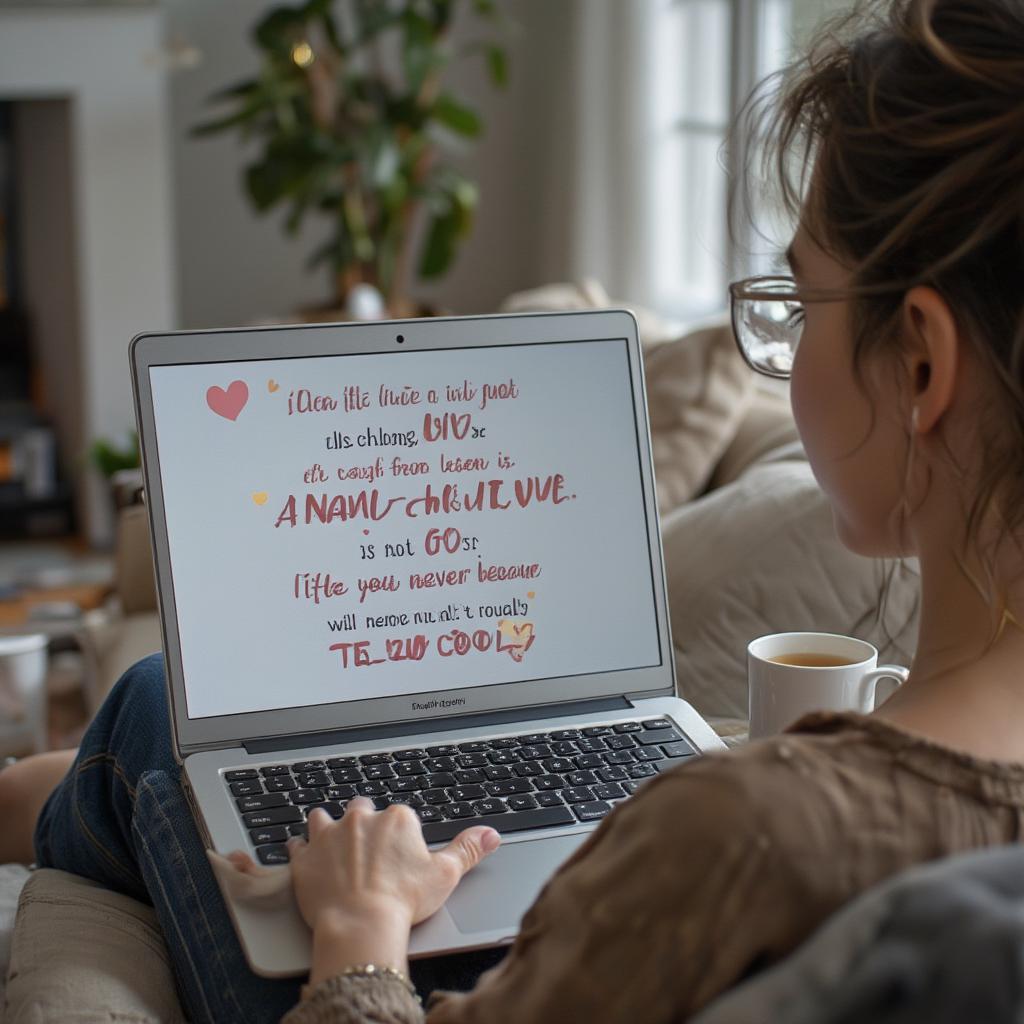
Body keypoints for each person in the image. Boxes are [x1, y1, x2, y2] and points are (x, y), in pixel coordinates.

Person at [3, 0, 1024, 1019]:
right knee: (153, 722)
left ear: (922, 363)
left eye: (801, 305)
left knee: (150, 710)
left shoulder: (739, 830)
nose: (790, 349)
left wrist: (361, 923)